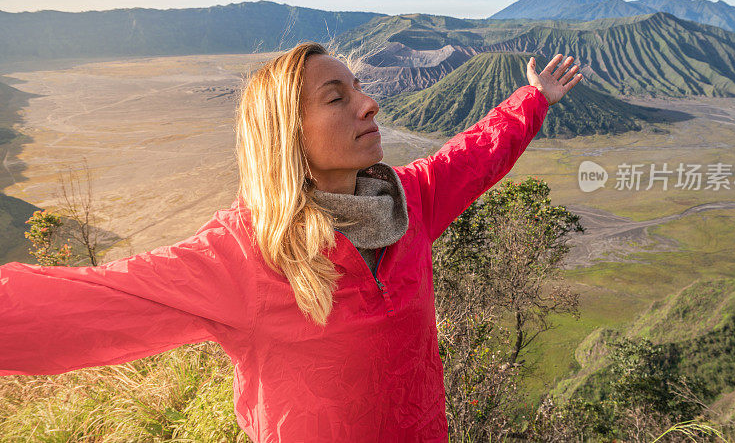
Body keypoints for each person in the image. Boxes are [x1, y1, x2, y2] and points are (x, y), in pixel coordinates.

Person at [0, 41, 582, 442]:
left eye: (359, 88)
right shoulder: (244, 255)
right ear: (286, 136)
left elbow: (473, 157)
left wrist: (534, 99)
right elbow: (81, 306)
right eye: (337, 98)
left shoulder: (407, 202)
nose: (368, 103)